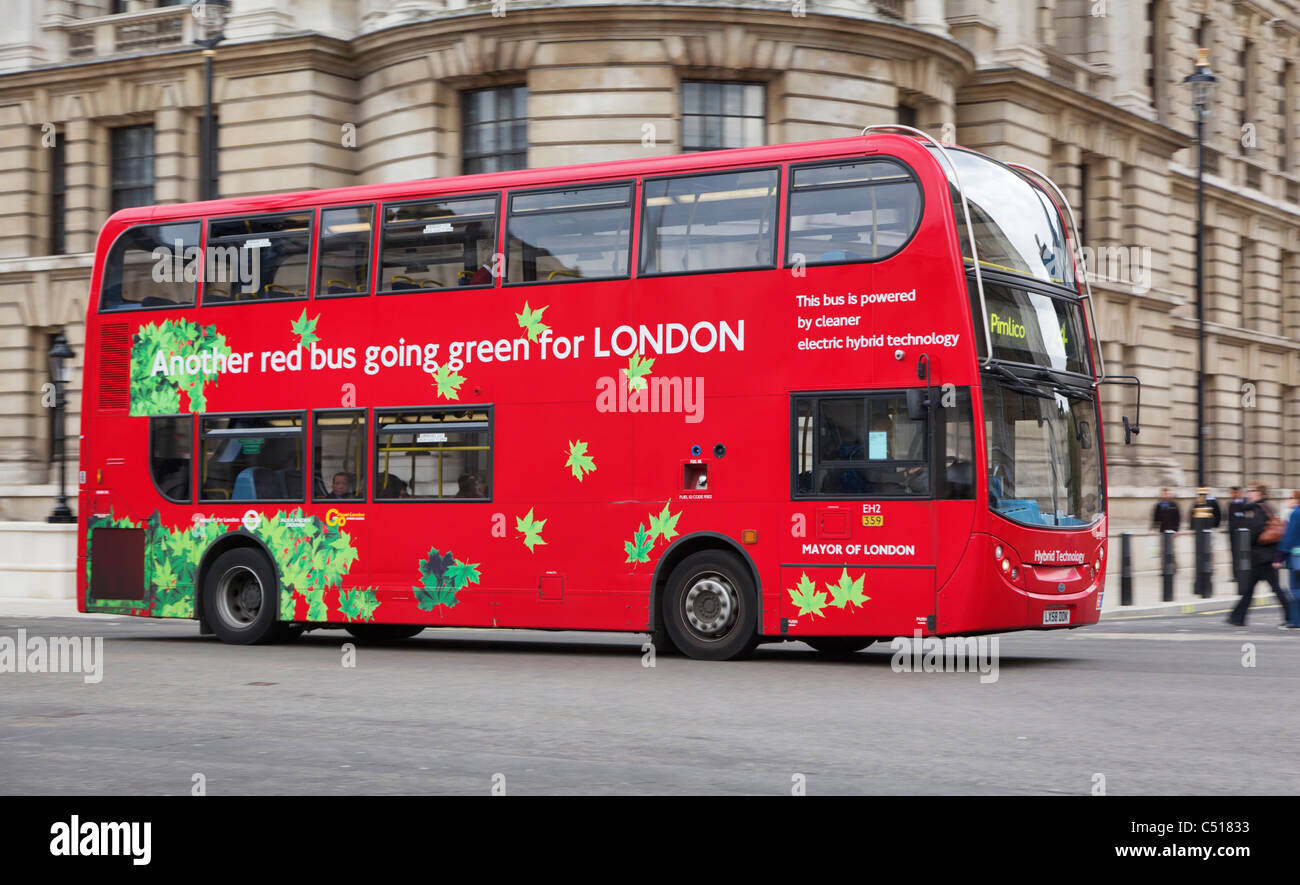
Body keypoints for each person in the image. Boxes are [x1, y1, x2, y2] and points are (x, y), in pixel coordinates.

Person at [1228, 484, 1291, 626]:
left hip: (1262, 557)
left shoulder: (1259, 511)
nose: (1249, 494)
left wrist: (1248, 539)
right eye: (1248, 491)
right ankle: (1237, 617)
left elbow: (1255, 532)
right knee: (1252, 589)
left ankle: (1291, 615)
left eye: (1252, 491)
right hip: (1264, 556)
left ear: (1260, 493)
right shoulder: (1266, 508)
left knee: (1272, 589)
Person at [1275, 489, 1300, 629]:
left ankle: (1295, 621)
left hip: (1296, 556)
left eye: (1291, 497)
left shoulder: (1295, 514)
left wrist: (1280, 556)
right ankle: (1295, 621)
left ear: (1297, 500)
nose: (1288, 500)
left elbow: (1288, 537)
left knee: (1295, 588)